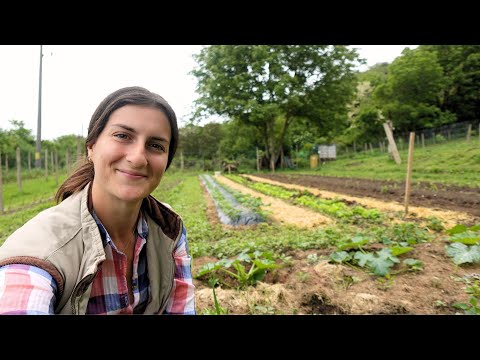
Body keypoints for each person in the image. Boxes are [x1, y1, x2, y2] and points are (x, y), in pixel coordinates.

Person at [0, 86, 196, 314]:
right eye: (123, 136)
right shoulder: (38, 250)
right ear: (91, 146)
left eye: (155, 145)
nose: (138, 157)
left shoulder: (167, 228)